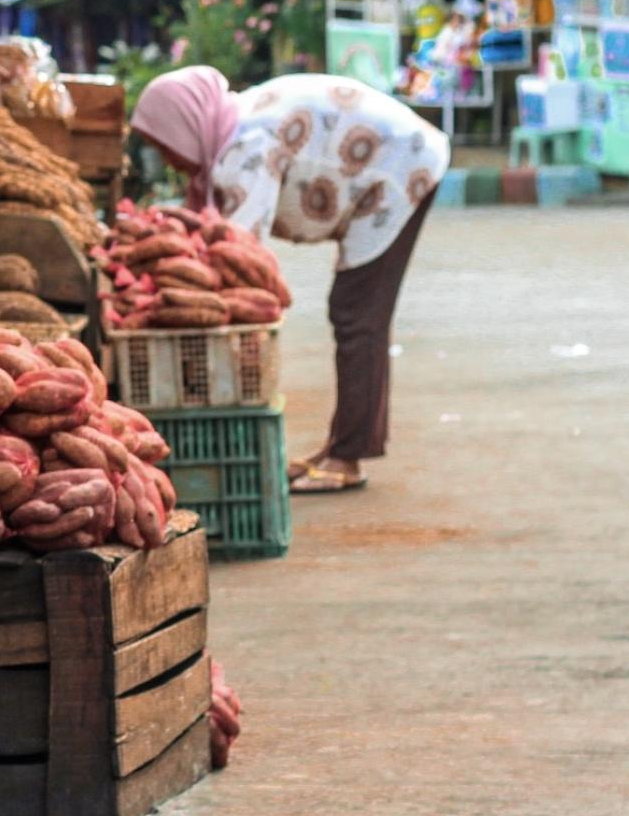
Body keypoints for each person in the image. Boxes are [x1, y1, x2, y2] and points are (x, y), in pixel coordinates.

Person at [130, 65, 449, 495]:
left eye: (164, 144)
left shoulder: (246, 145)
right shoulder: (232, 125)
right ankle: (340, 447)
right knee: (354, 312)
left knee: (358, 314)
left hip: (401, 168)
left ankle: (348, 459)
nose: (167, 159)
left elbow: (239, 252)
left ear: (186, 125)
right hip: (389, 162)